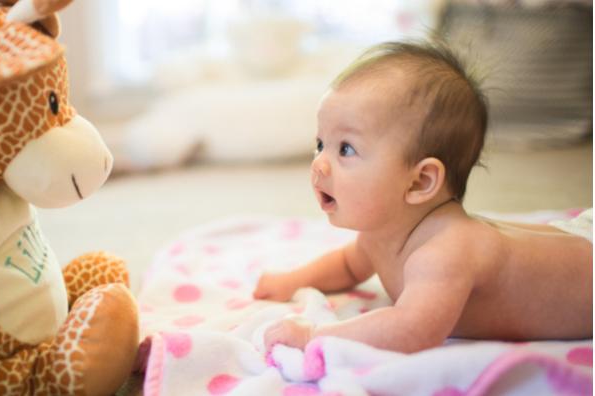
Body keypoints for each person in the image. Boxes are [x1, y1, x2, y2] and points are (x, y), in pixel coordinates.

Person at [253, 40, 593, 354]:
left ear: (419, 182)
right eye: (320, 144)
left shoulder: (445, 252)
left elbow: (412, 330)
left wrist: (313, 337)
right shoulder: (381, 234)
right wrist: (292, 281)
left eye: (346, 148)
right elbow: (346, 265)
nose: (319, 164)